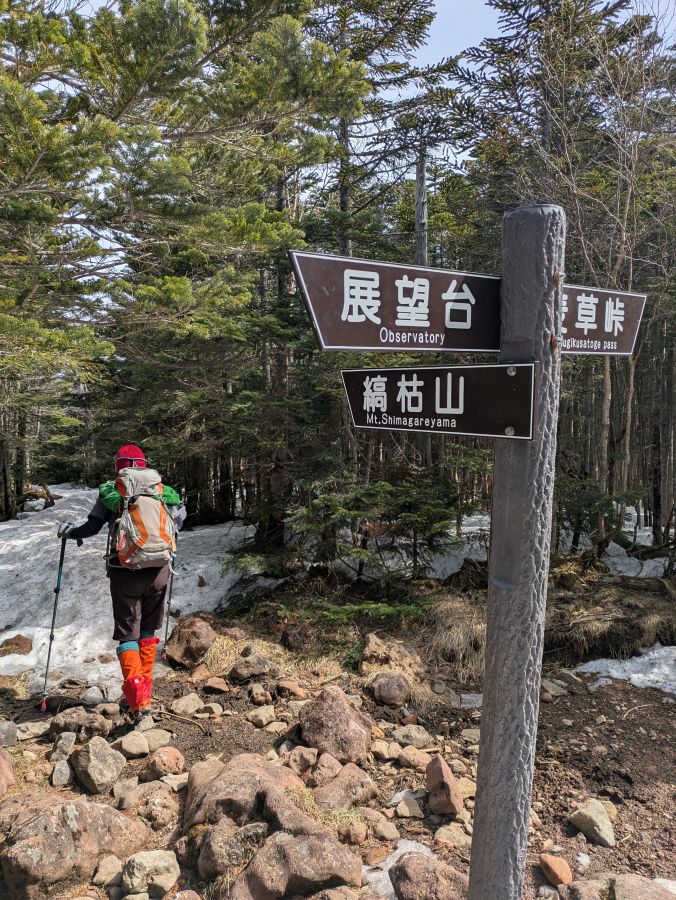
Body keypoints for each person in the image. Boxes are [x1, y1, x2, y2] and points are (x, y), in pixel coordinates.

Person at [57, 444, 185, 718]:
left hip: (125, 572)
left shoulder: (113, 491)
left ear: (119, 466)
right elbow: (178, 523)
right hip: (160, 571)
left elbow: (91, 527)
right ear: (144, 465)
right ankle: (145, 697)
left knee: (128, 635)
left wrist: (69, 533)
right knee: (149, 633)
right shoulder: (162, 491)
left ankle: (138, 702)